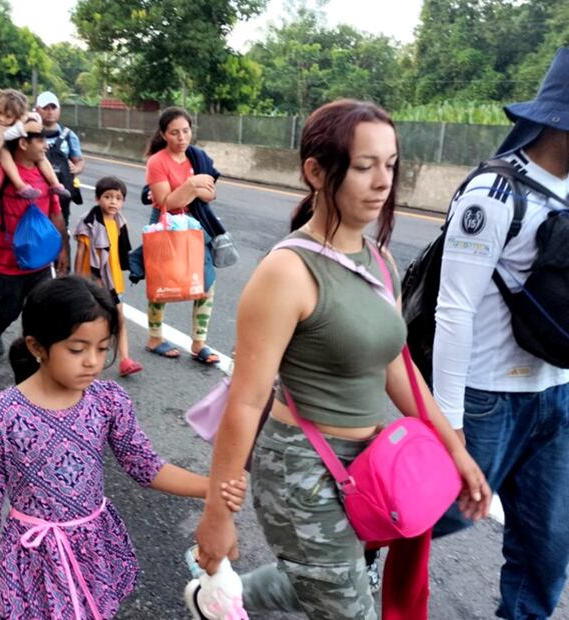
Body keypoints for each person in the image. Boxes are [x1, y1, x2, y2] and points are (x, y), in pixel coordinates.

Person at [191, 99, 492, 619]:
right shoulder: (287, 272)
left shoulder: (380, 260)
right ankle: (216, 595)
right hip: (302, 471)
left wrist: (457, 452)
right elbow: (246, 402)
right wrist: (217, 514)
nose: (383, 182)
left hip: (372, 467)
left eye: (391, 164)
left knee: (334, 583)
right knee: (351, 606)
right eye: (363, 166)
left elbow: (397, 365)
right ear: (316, 171)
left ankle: (218, 601)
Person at [428, 48, 569, 620]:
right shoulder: (491, 196)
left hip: (557, 399)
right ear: (562, 116)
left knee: (550, 543)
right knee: (435, 516)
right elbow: (452, 311)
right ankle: (336, 553)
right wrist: (450, 425)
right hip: (486, 402)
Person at [0, 275, 246, 619]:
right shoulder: (3, 414)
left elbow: (145, 465)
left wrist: (211, 487)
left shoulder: (107, 400)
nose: (93, 362)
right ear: (37, 347)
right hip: (32, 557)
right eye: (77, 349)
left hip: (92, 545)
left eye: (102, 348)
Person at [0, 116, 70, 356]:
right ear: (23, 144)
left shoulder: (44, 174)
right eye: (40, 140)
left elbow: (55, 213)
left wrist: (63, 249)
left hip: (40, 258)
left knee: (43, 309)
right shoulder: (3, 173)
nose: (46, 145)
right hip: (6, 258)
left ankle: (33, 355)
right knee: (9, 309)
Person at [142, 107, 220, 364]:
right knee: (161, 281)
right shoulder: (157, 161)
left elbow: (211, 194)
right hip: (166, 224)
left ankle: (199, 344)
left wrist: (193, 188)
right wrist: (192, 184)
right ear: (164, 134)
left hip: (195, 225)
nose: (181, 138)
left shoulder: (197, 157)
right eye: (174, 133)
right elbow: (167, 203)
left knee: (206, 282)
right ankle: (155, 337)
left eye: (185, 131)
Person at [73, 176, 142, 378]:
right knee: (87, 321)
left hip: (112, 281)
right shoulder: (89, 223)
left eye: (118, 198)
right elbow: (81, 252)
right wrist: (78, 281)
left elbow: (120, 253)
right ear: (97, 198)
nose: (113, 202)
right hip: (92, 281)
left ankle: (125, 360)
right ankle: (77, 354)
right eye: (108, 197)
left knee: (119, 318)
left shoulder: (119, 222)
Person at [0, 89, 66, 201]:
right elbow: (3, 136)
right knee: (3, 151)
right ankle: (20, 185)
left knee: (41, 157)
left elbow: (35, 117)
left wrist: (26, 117)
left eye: (8, 117)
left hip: (4, 145)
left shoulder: (15, 120)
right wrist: (24, 128)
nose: (1, 118)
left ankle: (55, 184)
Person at [36, 91, 85, 226]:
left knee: (61, 230)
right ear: (37, 110)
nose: (50, 111)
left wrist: (76, 168)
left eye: (53, 108)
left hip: (62, 192)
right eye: (45, 108)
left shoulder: (69, 135)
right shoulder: (30, 134)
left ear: (59, 110)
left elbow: (79, 160)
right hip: (38, 192)